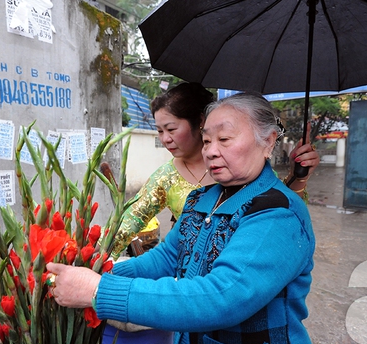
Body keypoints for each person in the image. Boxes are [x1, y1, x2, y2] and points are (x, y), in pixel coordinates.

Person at [48, 92, 316, 344]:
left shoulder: (278, 214)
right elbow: (166, 258)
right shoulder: (201, 199)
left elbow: (223, 297)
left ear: (268, 141)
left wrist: (99, 290)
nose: (211, 151)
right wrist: (96, 268)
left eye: (224, 140)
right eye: (207, 140)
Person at [111, 82, 319, 258]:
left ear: (200, 122)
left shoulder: (245, 171)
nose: (165, 139)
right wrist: (93, 259)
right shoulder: (178, 186)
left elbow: (281, 211)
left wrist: (298, 177)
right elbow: (144, 238)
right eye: (159, 131)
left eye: (171, 129)